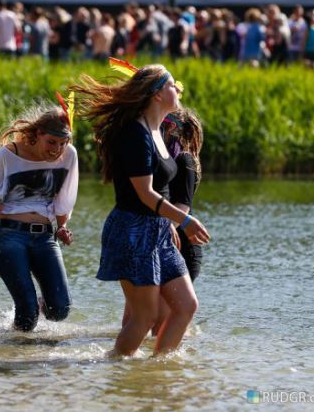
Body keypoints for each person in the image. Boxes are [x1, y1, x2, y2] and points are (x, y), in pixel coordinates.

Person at [70, 61, 210, 356]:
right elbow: (145, 194)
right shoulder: (135, 133)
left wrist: (171, 224)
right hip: (133, 230)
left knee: (186, 306)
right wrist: (184, 221)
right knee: (144, 318)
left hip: (159, 231)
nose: (178, 89)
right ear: (157, 94)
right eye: (172, 85)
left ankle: (157, 370)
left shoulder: (158, 130)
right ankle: (117, 370)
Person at [0, 99, 79, 331]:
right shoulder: (9, 153)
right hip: (9, 235)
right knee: (28, 313)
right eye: (51, 142)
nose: (57, 149)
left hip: (44, 237)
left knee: (60, 310)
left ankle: (22, 334)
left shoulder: (69, 155)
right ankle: (17, 358)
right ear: (38, 134)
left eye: (63, 143)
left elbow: (64, 199)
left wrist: (62, 227)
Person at [151, 108, 205, 334]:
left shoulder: (184, 159)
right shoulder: (168, 161)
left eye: (164, 127)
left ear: (174, 130)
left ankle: (167, 366)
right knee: (153, 318)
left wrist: (166, 227)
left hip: (182, 245)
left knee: (163, 321)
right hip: (164, 241)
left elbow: (183, 205)